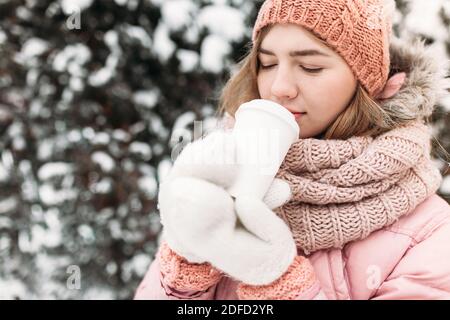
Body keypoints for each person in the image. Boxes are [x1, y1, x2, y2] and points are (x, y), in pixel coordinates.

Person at [134, 0, 450, 300]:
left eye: (310, 67)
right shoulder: (222, 179)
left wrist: (279, 284)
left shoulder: (430, 233)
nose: (278, 87)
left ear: (368, 83)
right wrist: (187, 264)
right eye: (267, 63)